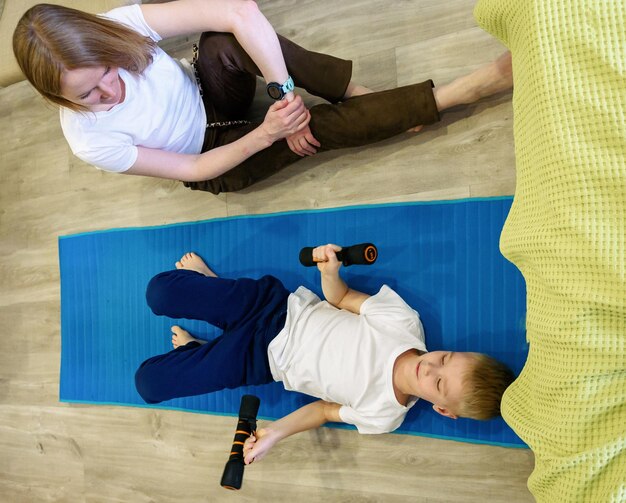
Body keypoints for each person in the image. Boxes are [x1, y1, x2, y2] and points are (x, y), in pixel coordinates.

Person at [13, 1, 513, 194]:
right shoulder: (87, 140)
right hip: (212, 156)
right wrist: (275, 130)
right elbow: (192, 172)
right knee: (317, 129)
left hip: (211, 94)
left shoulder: (119, 26)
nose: (110, 91)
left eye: (107, 71)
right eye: (90, 95)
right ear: (61, 99)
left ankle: (353, 93)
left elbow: (238, 11)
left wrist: (283, 93)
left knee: (226, 43)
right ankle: (455, 94)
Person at [134, 246, 515, 464]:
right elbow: (342, 298)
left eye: (436, 381)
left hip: (259, 361)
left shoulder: (384, 415)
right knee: (158, 293)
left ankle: (204, 348)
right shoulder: (405, 324)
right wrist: (330, 270)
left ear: (442, 410)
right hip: (272, 308)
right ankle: (212, 290)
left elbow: (322, 411)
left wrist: (273, 435)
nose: (429, 364)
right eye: (446, 358)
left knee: (148, 384)